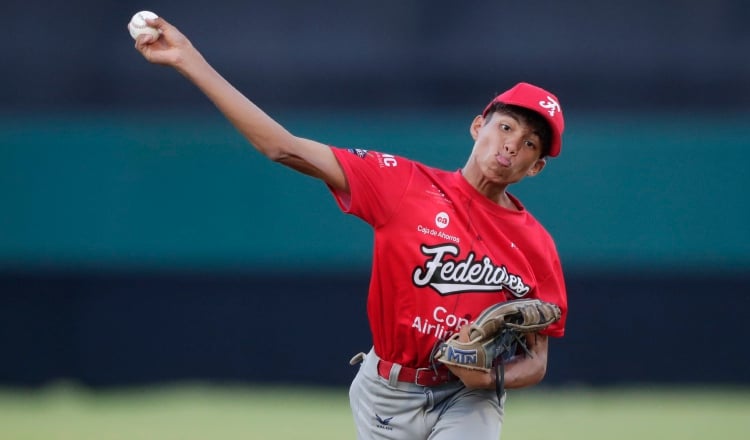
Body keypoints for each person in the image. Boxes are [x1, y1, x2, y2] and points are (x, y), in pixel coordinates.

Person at [133, 15, 568, 440]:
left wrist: (490, 377)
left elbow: (537, 361)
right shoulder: (403, 183)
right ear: (478, 126)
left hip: (466, 400)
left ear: (537, 167)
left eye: (530, 142)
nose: (511, 144)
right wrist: (187, 59)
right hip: (386, 394)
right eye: (505, 126)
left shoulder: (536, 246)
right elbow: (282, 147)